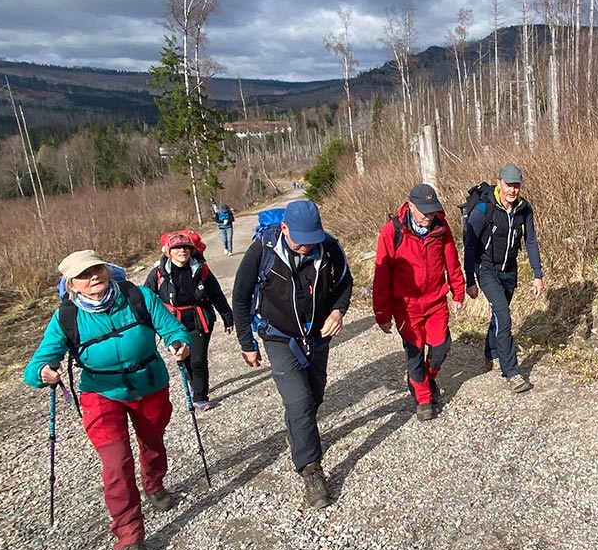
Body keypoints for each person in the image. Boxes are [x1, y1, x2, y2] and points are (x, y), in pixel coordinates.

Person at [24, 250, 192, 550]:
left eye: (97, 269)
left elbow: (171, 327)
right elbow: (36, 366)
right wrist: (43, 372)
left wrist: (179, 342)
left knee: (153, 441)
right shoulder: (67, 317)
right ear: (71, 284)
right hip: (100, 394)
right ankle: (129, 535)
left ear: (106, 269)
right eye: (84, 275)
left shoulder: (139, 297)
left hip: (149, 383)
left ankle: (154, 485)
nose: (93, 277)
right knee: (116, 464)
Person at [232, 200, 352, 509]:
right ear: (284, 229)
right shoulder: (262, 252)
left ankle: (298, 436)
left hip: (317, 336)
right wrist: (248, 343)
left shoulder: (328, 248)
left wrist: (338, 311)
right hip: (278, 336)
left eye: (312, 240)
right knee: (298, 401)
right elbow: (241, 298)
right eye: (301, 241)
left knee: (313, 398)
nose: (306, 248)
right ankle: (311, 469)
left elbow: (344, 284)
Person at [373, 183, 466, 421]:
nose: (428, 216)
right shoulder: (392, 232)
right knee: (414, 353)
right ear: (411, 205)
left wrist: (458, 291)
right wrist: (382, 314)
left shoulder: (441, 228)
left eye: (432, 210)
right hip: (406, 307)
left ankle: (428, 377)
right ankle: (423, 399)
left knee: (441, 347)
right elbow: (382, 276)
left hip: (436, 302)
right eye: (424, 211)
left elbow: (452, 261)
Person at [463, 163, 544, 393]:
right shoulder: (483, 208)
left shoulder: (524, 209)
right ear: (499, 183)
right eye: (509, 185)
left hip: (510, 269)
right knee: (504, 316)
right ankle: (512, 372)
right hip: (486, 268)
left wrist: (537, 274)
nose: (513, 190)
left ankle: (490, 350)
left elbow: (530, 241)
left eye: (517, 185)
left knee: (499, 315)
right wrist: (470, 279)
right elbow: (470, 245)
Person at [144, 230, 233, 412]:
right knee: (184, 358)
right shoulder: (158, 274)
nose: (182, 251)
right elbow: (146, 299)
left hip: (199, 319)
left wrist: (227, 316)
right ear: (168, 251)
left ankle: (200, 396)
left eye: (185, 247)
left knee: (198, 359)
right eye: (177, 248)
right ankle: (194, 383)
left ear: (192, 250)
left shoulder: (201, 270)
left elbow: (216, 294)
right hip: (172, 324)